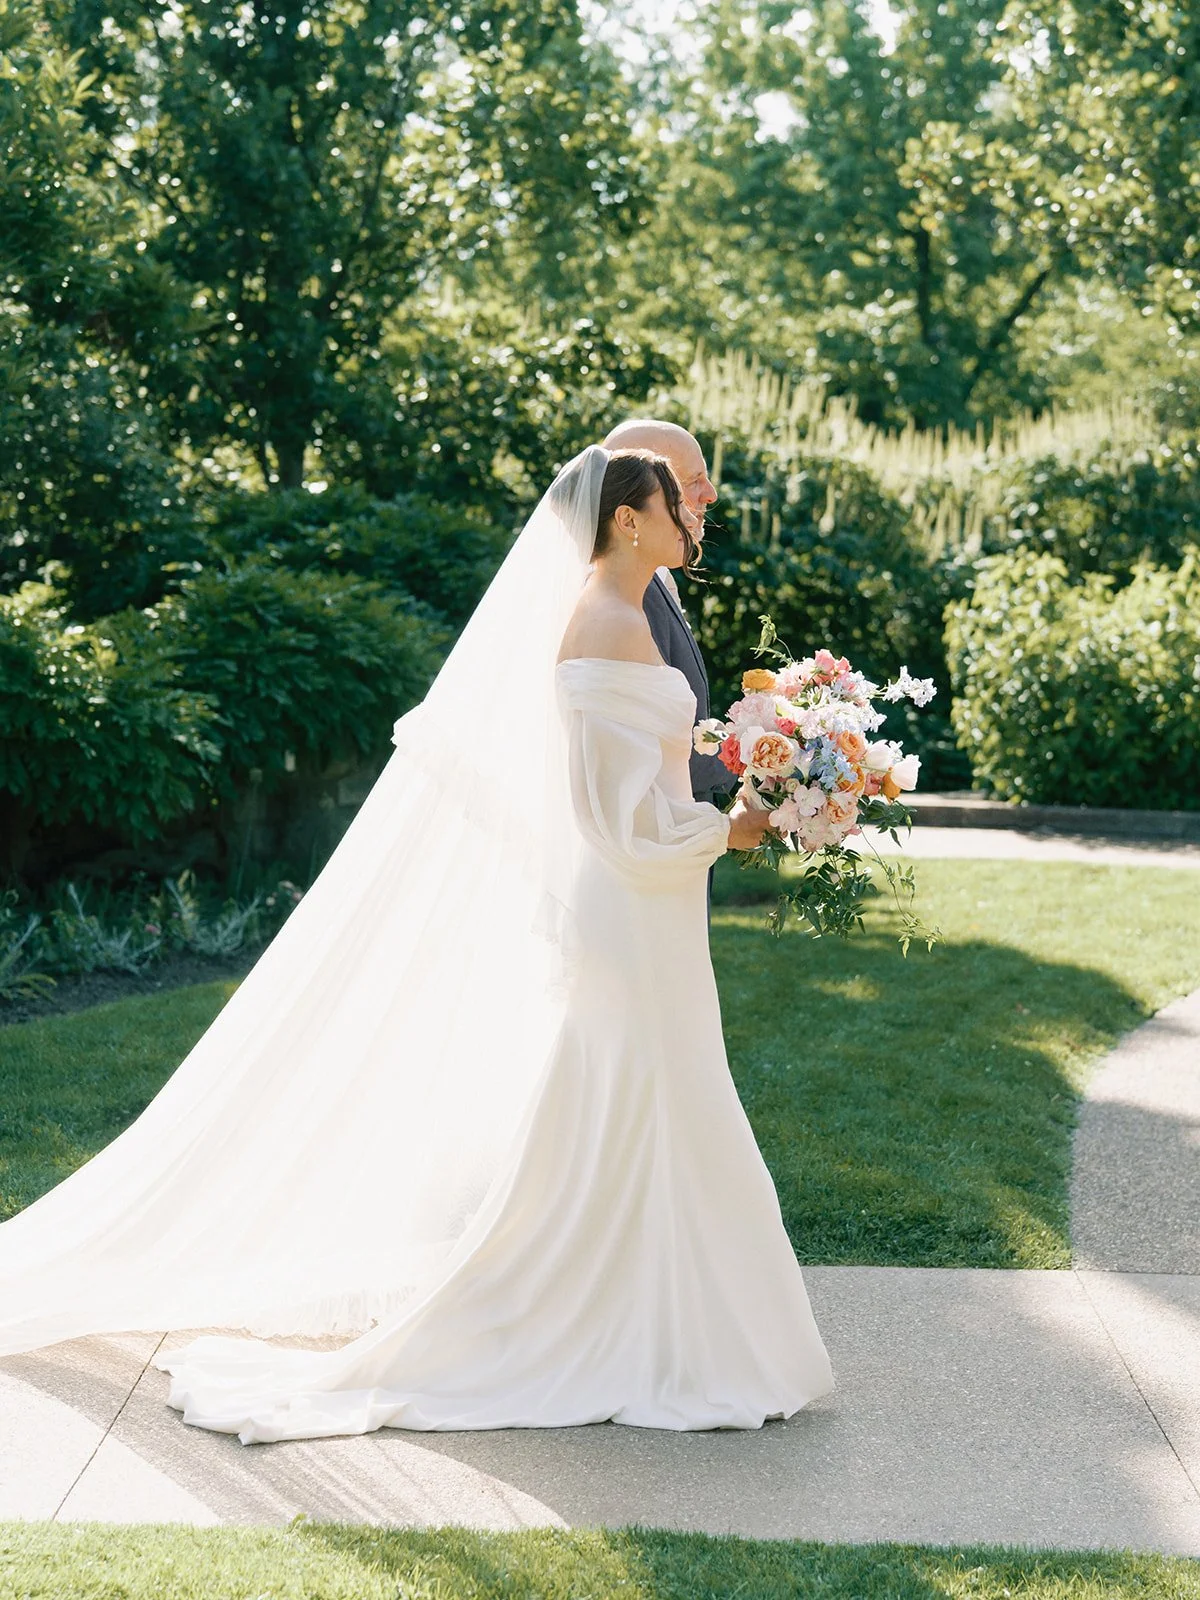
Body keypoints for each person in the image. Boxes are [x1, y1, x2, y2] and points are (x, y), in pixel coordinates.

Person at [0, 444, 833, 1441]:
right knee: (644, 1092)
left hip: (650, 903)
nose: (690, 520)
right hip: (629, 900)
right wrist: (728, 829)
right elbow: (610, 819)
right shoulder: (604, 624)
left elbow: (645, 774)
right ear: (625, 520)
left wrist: (754, 768)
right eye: (673, 504)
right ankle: (623, 1325)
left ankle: (666, 1321)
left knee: (651, 1096)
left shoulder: (620, 616)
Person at [601, 418, 731, 807]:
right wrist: (773, 760)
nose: (709, 495)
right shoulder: (620, 598)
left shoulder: (651, 577)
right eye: (688, 483)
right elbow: (646, 746)